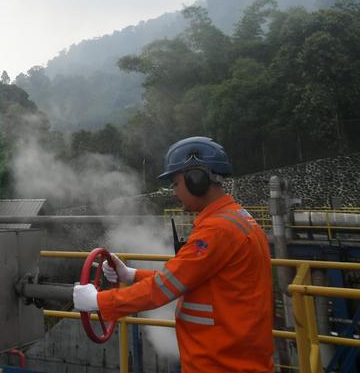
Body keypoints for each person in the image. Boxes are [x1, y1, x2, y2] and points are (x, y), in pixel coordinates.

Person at [72, 137, 274, 373]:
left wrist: (98, 301)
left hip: (221, 363)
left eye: (175, 183)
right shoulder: (237, 219)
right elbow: (187, 277)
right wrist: (131, 275)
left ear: (196, 179)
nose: (174, 192)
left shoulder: (217, 230)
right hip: (236, 358)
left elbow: (164, 287)